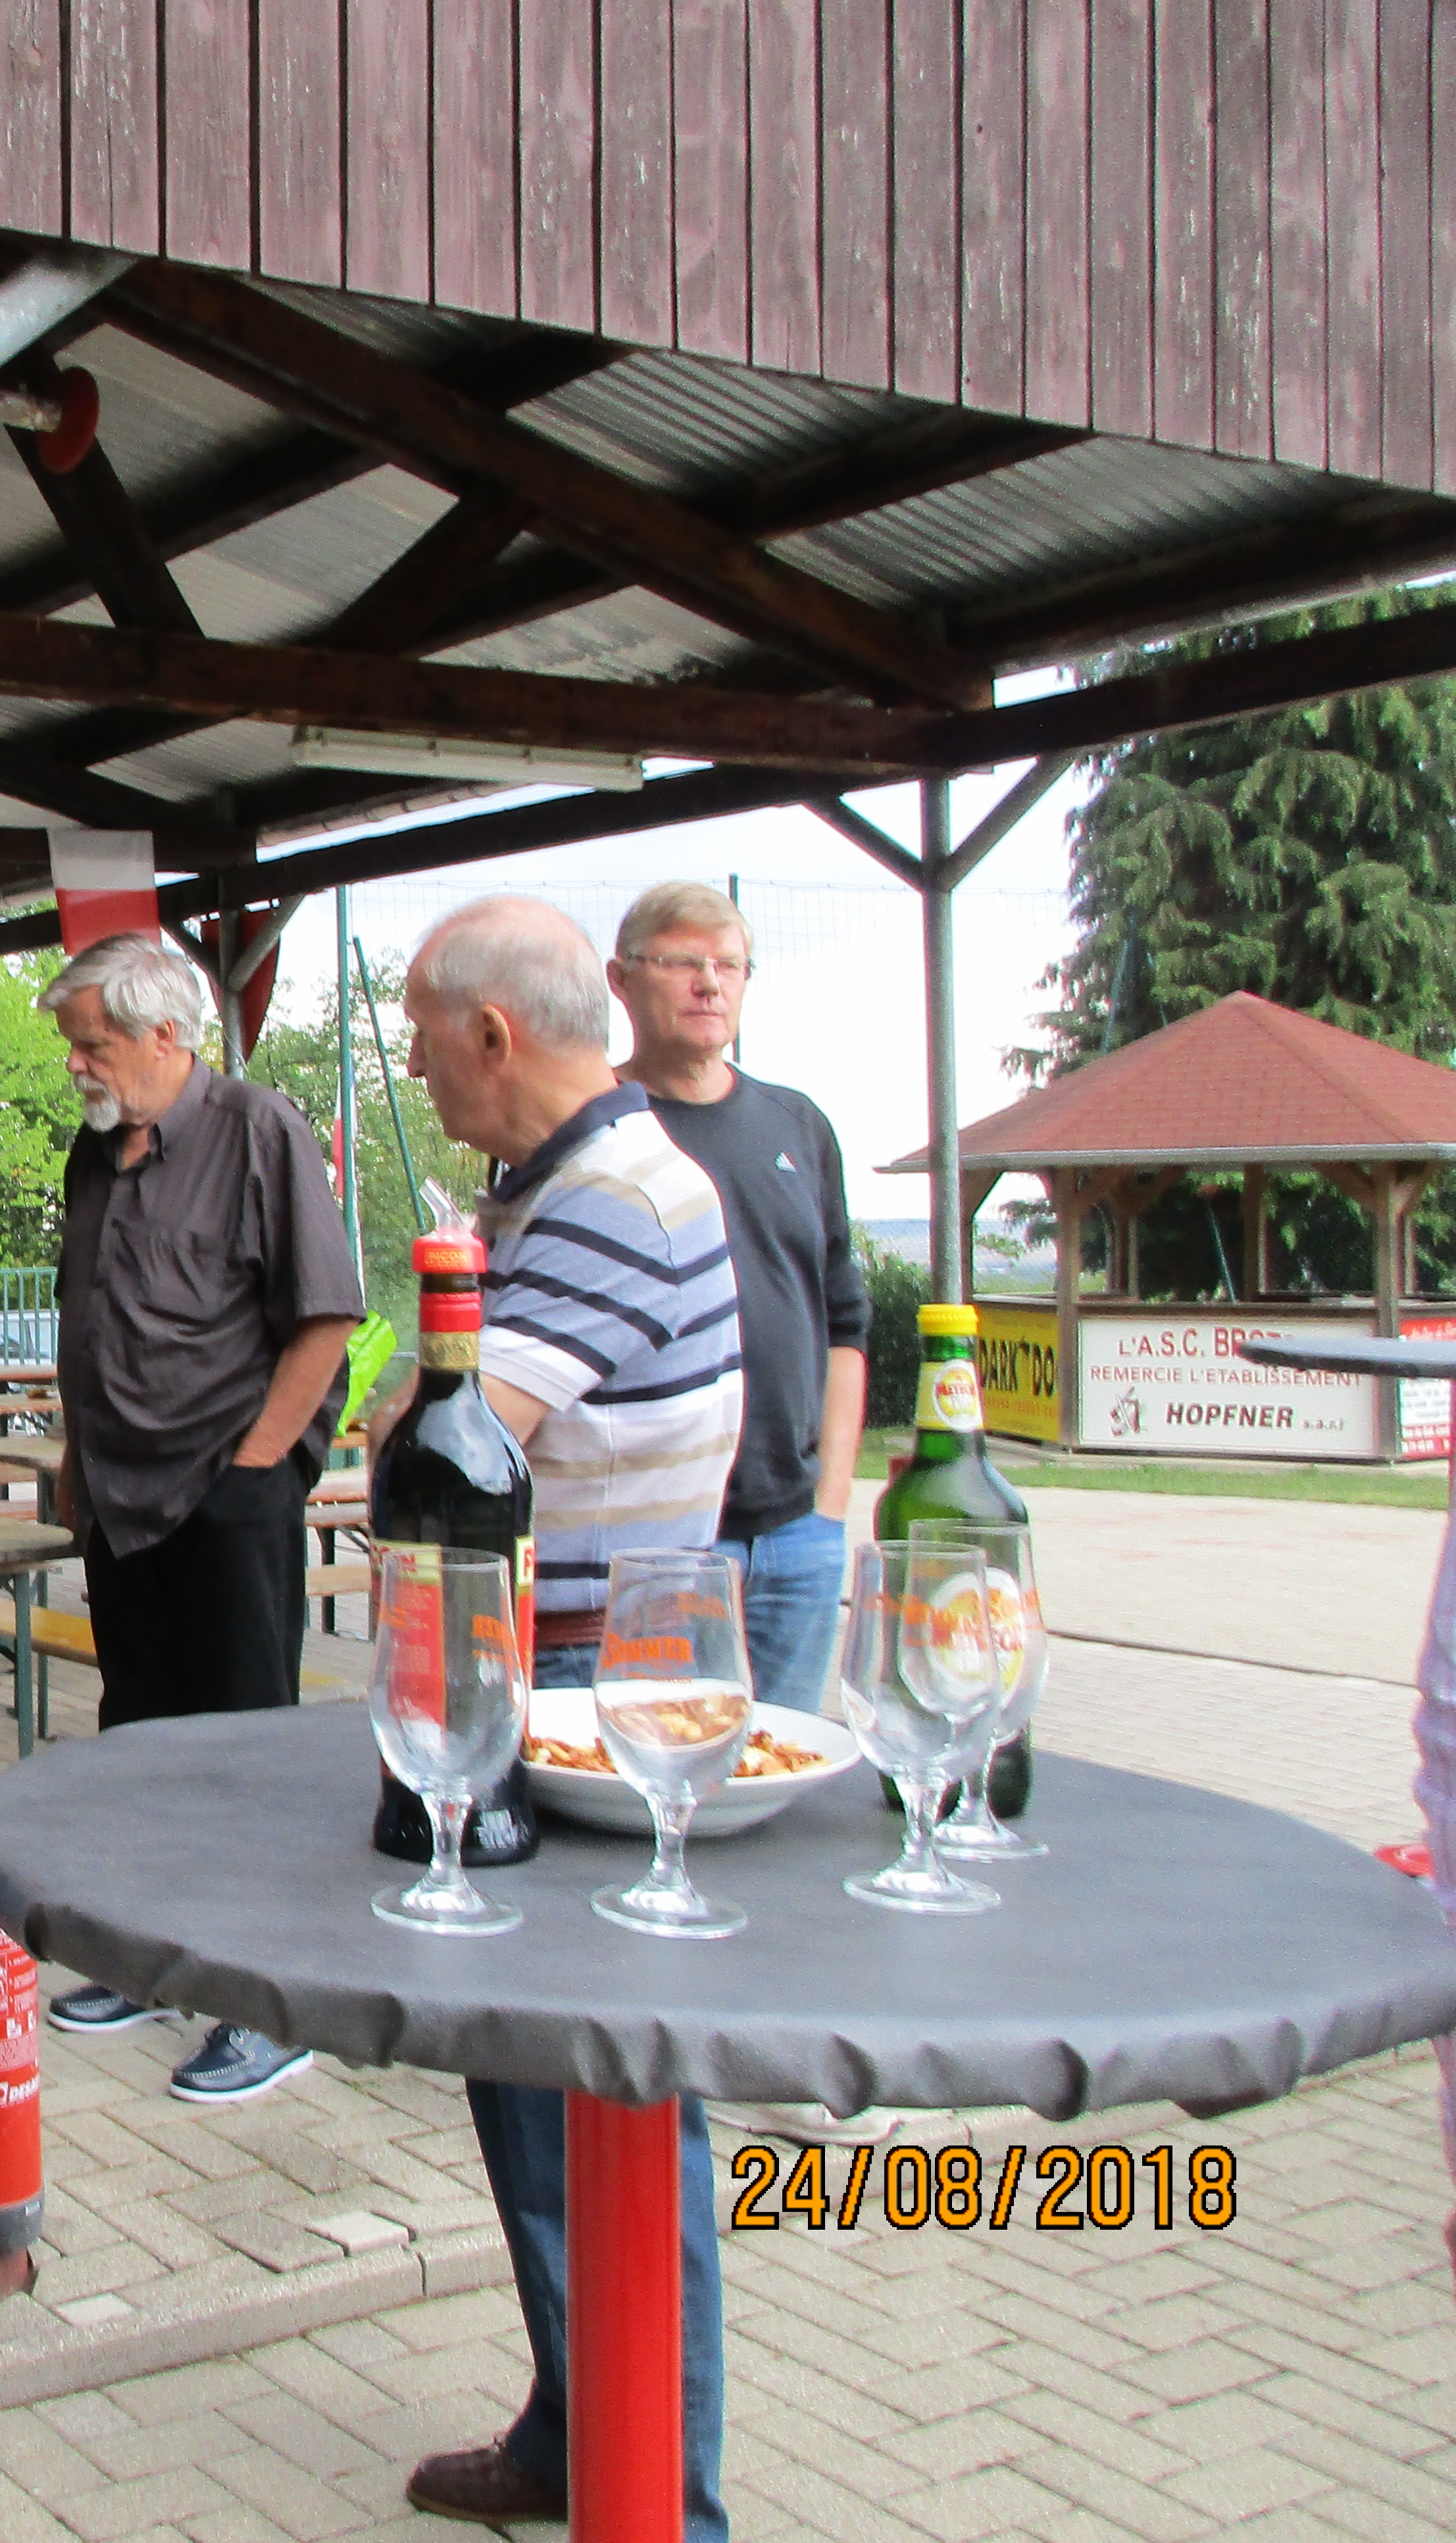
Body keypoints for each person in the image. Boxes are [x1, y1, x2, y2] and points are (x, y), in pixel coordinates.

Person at [384, 896, 742, 2540]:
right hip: (537, 1713)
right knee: (529, 2097)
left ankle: (663, 2501)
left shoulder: (612, 1202)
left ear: (493, 1034)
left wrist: (411, 1405)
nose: (413, 1065)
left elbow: (439, 1436)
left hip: (609, 1740)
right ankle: (568, 2435)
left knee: (612, 2126)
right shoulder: (541, 1191)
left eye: (418, 1035)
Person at [32, 931, 364, 2105]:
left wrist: (257, 1463)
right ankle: (157, 1962)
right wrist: (75, 1449)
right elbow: (94, 1314)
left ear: (165, 1033)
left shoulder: (258, 1129)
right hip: (118, 1497)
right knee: (140, 1739)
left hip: (226, 1490)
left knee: (246, 1756)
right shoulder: (92, 1152)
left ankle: (270, 2001)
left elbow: (325, 1314)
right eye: (73, 1044)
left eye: (92, 1042)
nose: (76, 1063)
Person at [609, 882, 868, 1709]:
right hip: (660, 1546)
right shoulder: (593, 1130)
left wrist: (830, 1503)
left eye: (728, 965)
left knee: (784, 1762)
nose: (709, 984)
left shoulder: (798, 1126)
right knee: (662, 1754)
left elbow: (845, 1323)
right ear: (621, 980)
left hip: (798, 1538)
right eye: (681, 962)